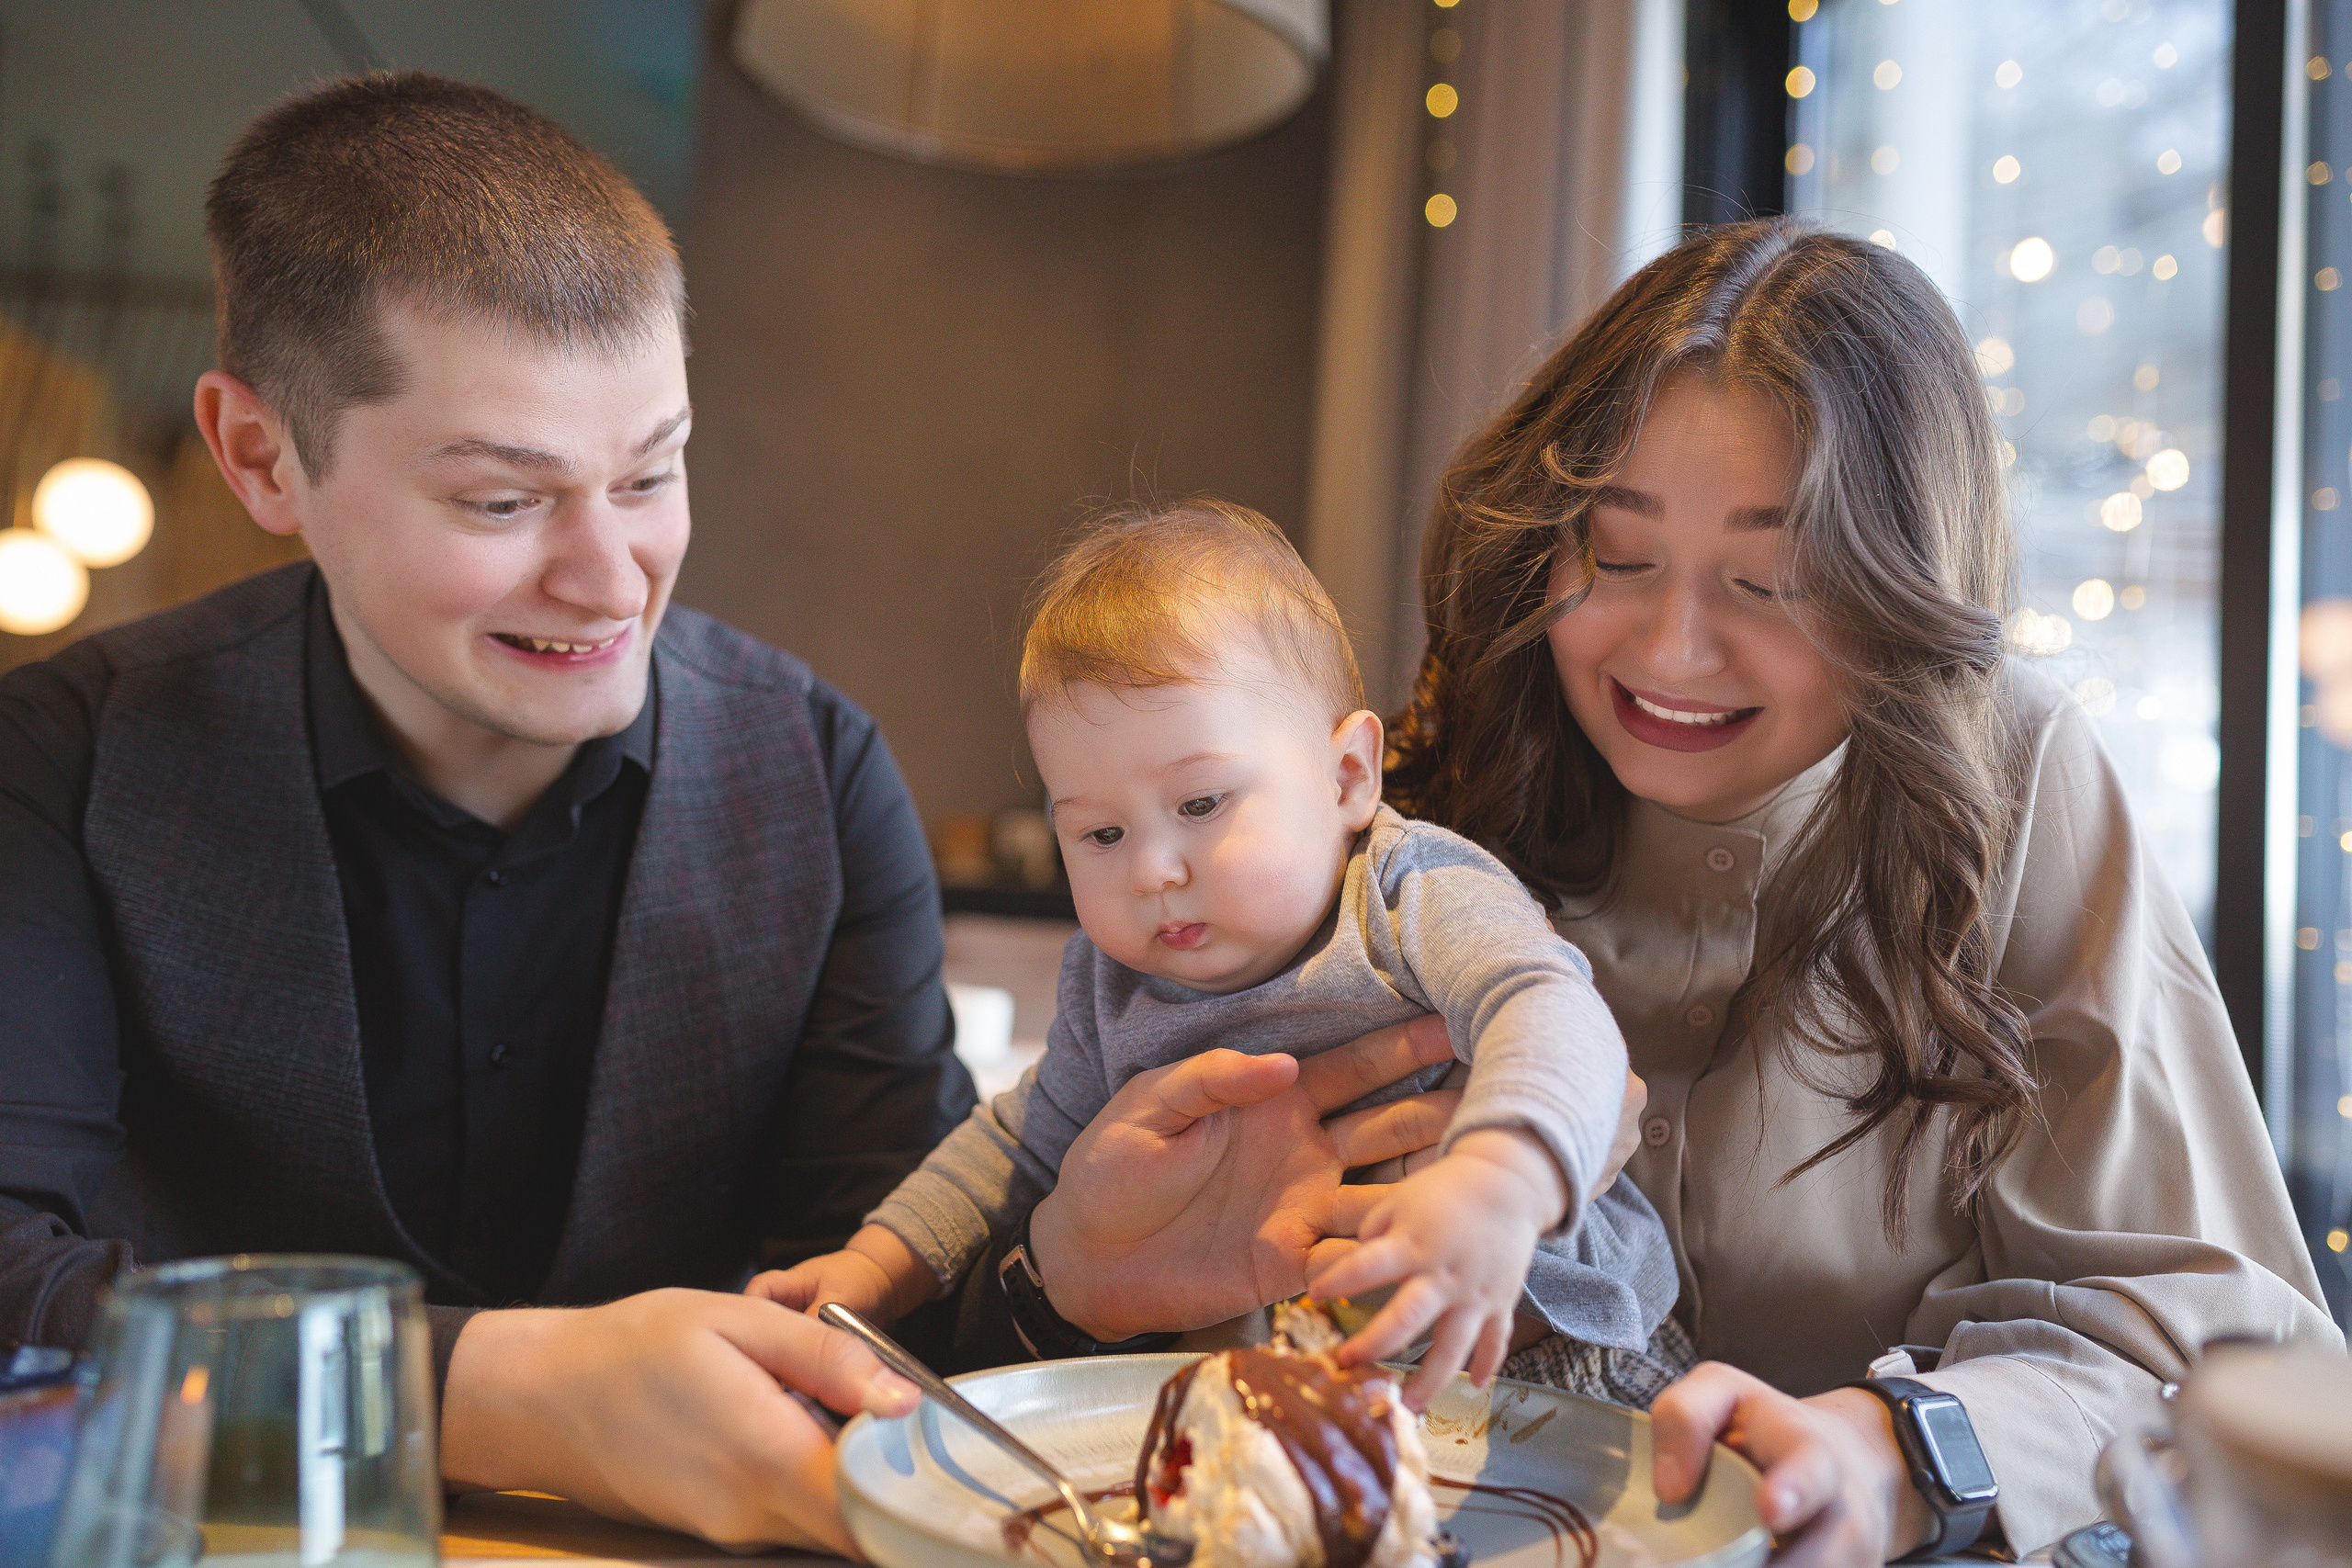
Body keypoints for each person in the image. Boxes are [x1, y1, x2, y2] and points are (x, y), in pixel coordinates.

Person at [0, 72, 1472, 1554]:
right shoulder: (63, 756)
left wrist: (1061, 1281)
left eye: (651, 472)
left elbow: (892, 1336)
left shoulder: (818, 774)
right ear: (261, 457)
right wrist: (495, 1387)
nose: (611, 576)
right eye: (503, 502)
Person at [1359, 217, 2342, 1561]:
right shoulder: (1455, 759)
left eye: (1775, 581)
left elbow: (2211, 1344)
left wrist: (1899, 1449)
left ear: (1900, 593)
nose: (1673, 650)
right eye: (1618, 552)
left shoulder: (2016, 773)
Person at [752, 502, 1687, 1409]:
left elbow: (1548, 1005)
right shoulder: (1111, 986)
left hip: (1549, 1353)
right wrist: (872, 1269)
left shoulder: (1406, 892)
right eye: (1101, 834)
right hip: (1300, 1386)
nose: (1154, 869)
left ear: (1347, 776)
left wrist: (1501, 1179)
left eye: (1200, 805)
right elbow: (1013, 1146)